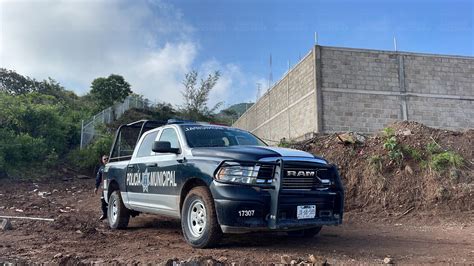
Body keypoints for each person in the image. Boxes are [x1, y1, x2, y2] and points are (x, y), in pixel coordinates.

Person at [94, 155, 109, 220]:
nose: (106, 160)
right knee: (103, 201)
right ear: (102, 161)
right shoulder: (101, 169)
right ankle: (105, 214)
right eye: (104, 159)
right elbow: (98, 178)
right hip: (105, 188)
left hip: (113, 187)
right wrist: (96, 187)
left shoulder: (113, 166)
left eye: (107, 158)